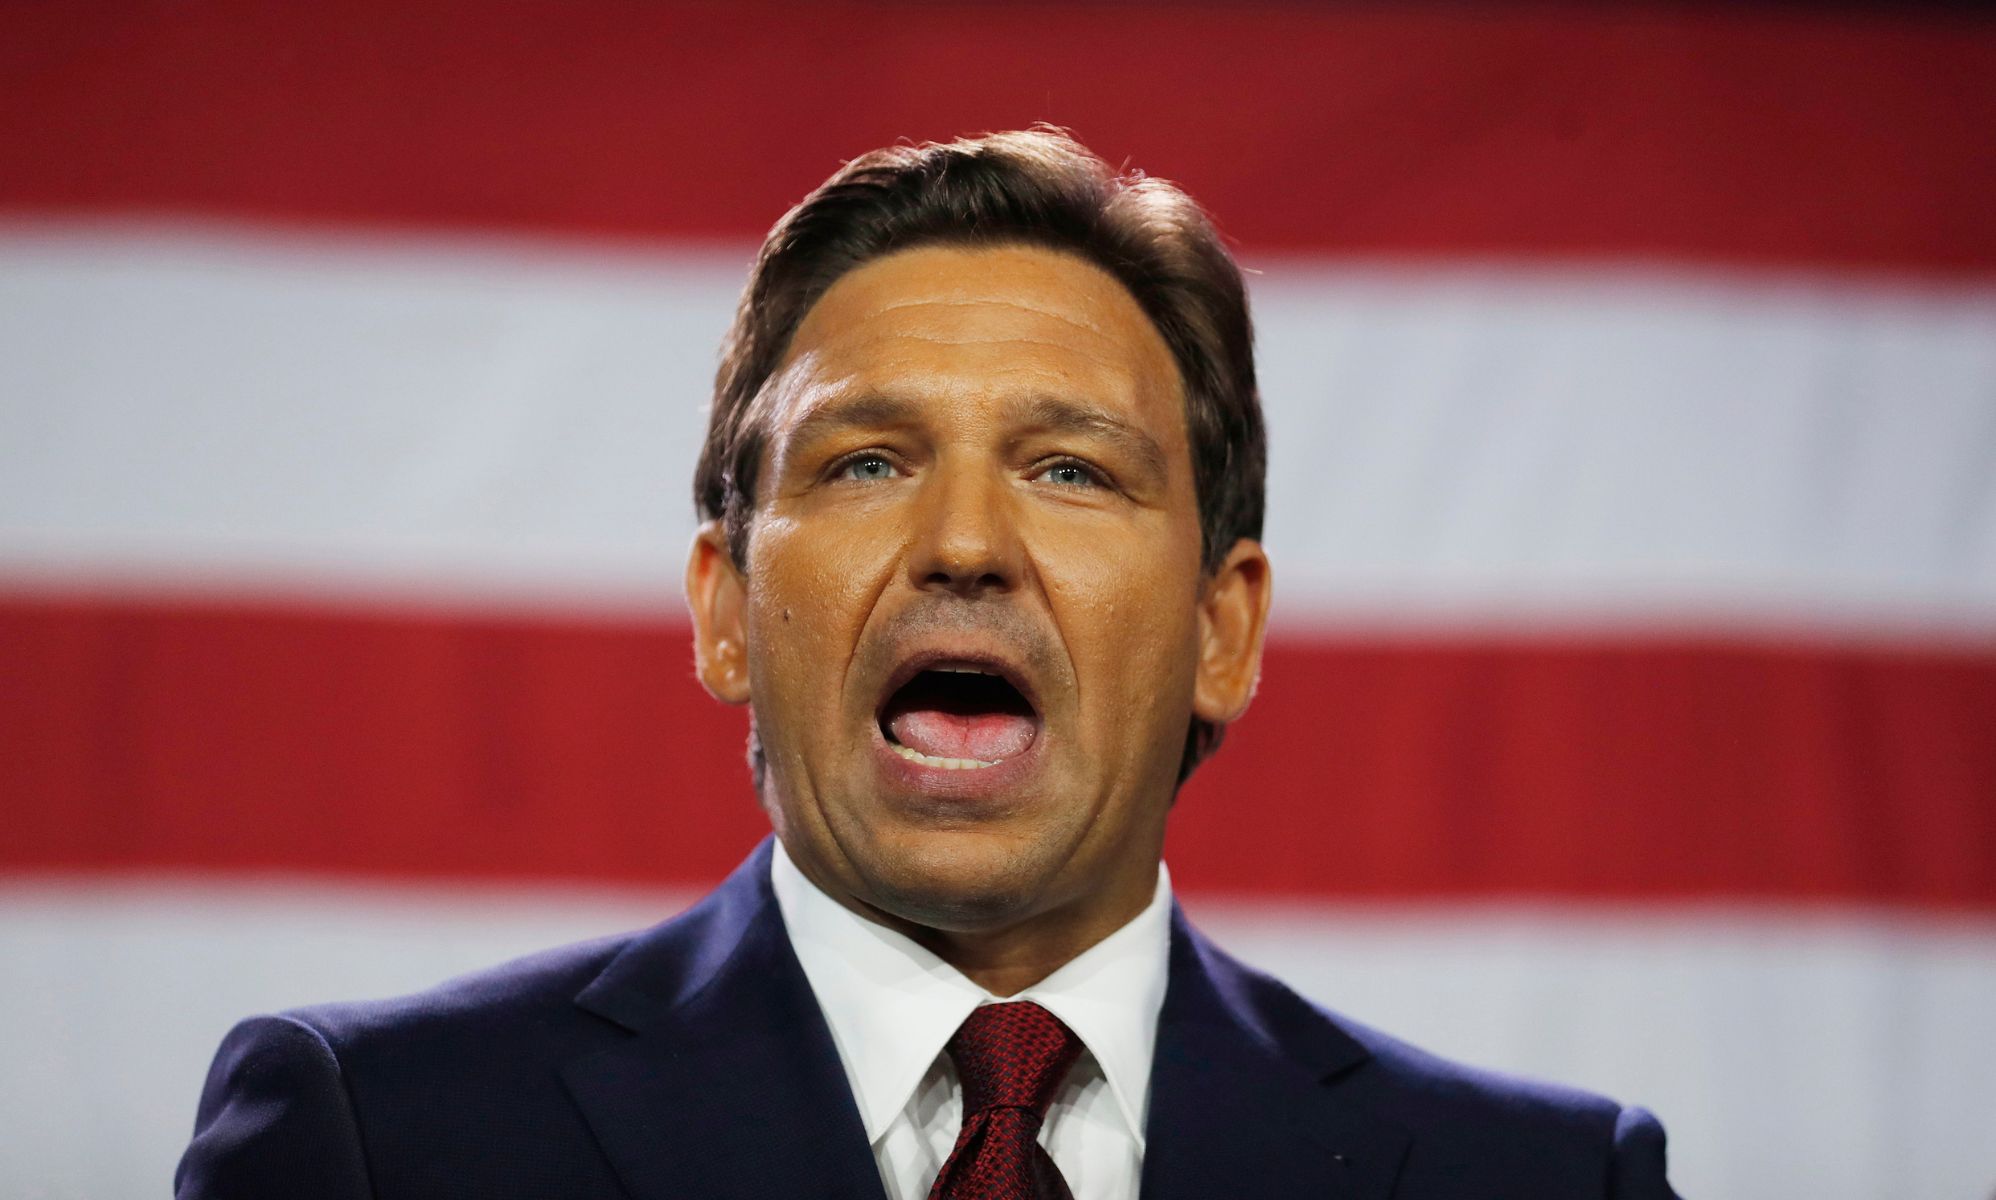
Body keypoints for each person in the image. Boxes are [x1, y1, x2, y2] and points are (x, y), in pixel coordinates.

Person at [177, 128, 1679, 1199]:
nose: (965, 543)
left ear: (1223, 630)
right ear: (724, 608)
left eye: (1072, 470)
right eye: (867, 462)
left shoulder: (1545, 1181)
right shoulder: (382, 1141)